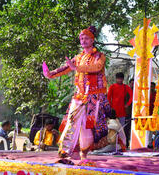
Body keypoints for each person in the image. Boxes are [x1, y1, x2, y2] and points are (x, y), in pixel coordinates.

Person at [42, 25, 111, 165]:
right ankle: (66, 152)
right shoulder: (78, 57)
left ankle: (84, 155)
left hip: (94, 97)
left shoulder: (99, 56)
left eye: (86, 38)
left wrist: (77, 68)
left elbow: (97, 67)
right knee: (71, 123)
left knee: (87, 126)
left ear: (92, 40)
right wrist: (50, 74)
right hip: (79, 96)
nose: (83, 40)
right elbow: (66, 68)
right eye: (81, 38)